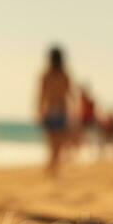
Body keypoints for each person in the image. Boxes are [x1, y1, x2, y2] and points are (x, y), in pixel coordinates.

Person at [37, 46, 73, 176]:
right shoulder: (64, 75)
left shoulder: (46, 75)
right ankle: (53, 167)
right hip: (61, 110)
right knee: (58, 144)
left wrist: (39, 110)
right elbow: (70, 95)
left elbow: (41, 95)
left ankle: (51, 167)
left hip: (50, 111)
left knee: (52, 143)